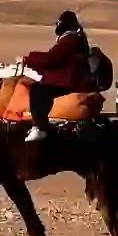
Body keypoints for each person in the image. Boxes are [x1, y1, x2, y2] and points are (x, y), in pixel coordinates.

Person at [21, 10, 94, 143]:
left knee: (37, 90)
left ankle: (40, 127)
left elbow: (52, 59)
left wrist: (29, 59)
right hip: (74, 81)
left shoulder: (69, 41)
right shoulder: (77, 40)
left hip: (67, 83)